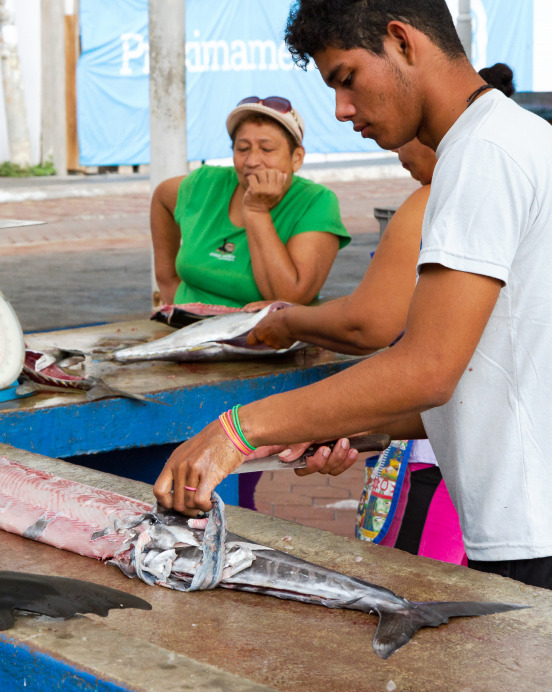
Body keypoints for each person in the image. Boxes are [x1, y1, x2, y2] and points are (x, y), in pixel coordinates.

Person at [154, 0, 552, 590]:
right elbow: (508, 376)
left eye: (347, 79)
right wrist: (368, 424)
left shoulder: (481, 156)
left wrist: (238, 429)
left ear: (402, 41)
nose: (342, 110)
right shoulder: (519, 137)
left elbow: (429, 368)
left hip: (529, 527)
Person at [247, 139, 464, 564]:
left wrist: (289, 320)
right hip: (463, 450)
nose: (347, 116)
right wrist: (347, 424)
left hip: (440, 469)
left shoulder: (436, 196)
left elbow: (368, 322)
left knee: (418, 597)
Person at [150, 96, 350, 308]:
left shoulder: (315, 202)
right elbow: (162, 196)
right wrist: (168, 284)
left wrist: (256, 210)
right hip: (186, 331)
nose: (252, 161)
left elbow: (289, 299)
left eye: (267, 149)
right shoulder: (206, 184)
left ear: (296, 158)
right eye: (242, 148)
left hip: (260, 337)